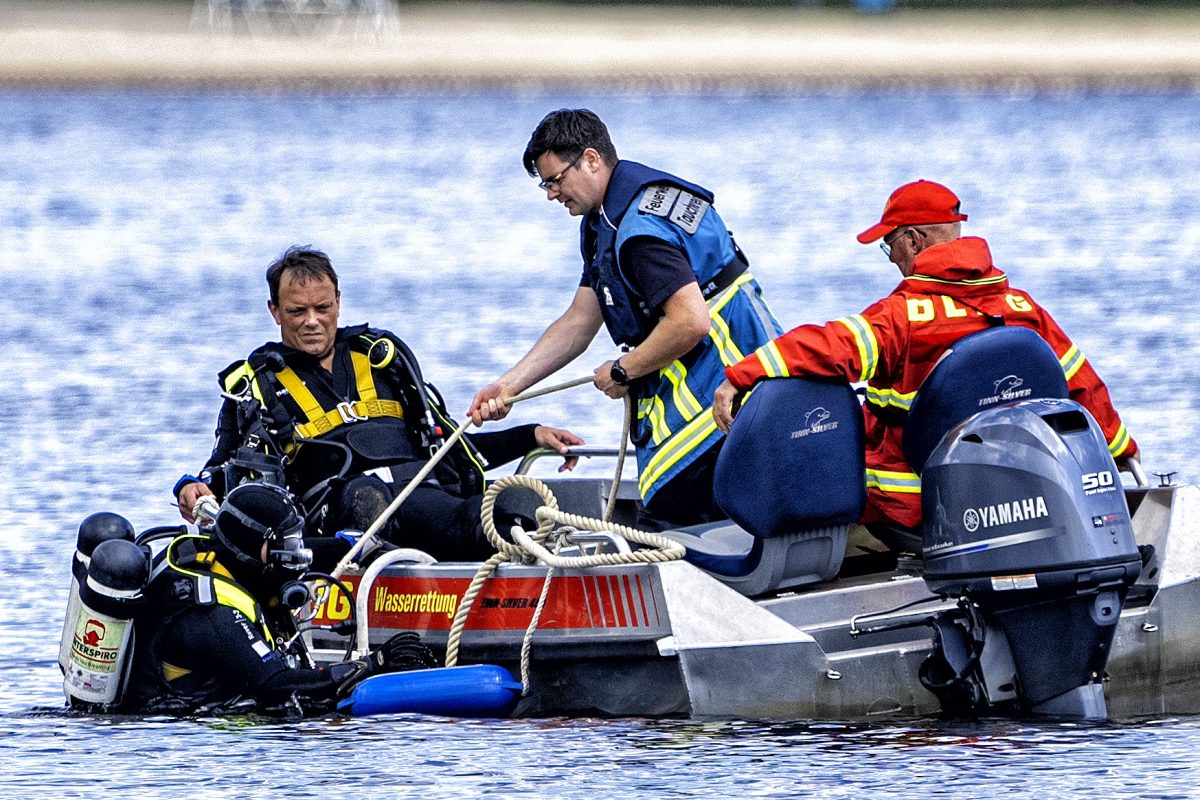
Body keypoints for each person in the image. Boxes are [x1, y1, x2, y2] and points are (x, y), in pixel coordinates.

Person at [713, 179, 1137, 551]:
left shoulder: (902, 318)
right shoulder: (1022, 309)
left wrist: (741, 375)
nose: (891, 256)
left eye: (889, 244)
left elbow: (828, 346)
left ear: (913, 241)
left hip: (913, 513)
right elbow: (1084, 389)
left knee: (804, 538)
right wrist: (1121, 453)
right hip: (1011, 499)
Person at [469, 108, 781, 531]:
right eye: (545, 184)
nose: (550, 194)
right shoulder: (610, 219)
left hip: (721, 400)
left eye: (555, 180)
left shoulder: (639, 233)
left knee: (662, 525)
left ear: (592, 159)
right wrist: (509, 385)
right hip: (756, 383)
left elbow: (690, 321)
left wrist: (623, 370)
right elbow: (580, 320)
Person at [173, 246, 582, 562]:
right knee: (366, 494)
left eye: (323, 307)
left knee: (508, 507)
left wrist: (530, 436)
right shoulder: (256, 385)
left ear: (339, 301)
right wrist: (192, 486)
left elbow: (453, 447)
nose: (312, 321)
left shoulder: (382, 360)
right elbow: (223, 469)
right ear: (275, 311)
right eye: (297, 312)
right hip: (338, 523)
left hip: (420, 498)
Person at [124, 482, 437, 715]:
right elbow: (274, 682)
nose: (291, 555)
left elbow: (288, 553)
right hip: (190, 730)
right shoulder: (212, 610)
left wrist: (351, 548)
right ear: (250, 544)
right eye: (282, 544)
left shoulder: (224, 557)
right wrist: (372, 664)